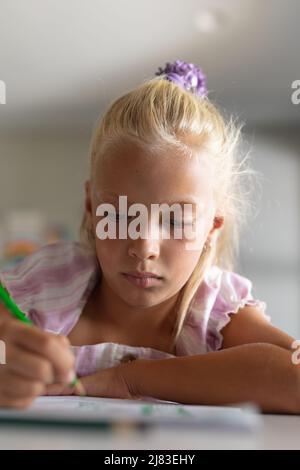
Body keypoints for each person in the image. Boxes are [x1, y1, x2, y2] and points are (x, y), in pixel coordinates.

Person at [0, 60, 299, 413]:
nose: (144, 247)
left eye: (175, 221)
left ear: (211, 228)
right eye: (122, 214)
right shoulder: (47, 283)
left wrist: (130, 380)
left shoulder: (214, 310)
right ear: (91, 208)